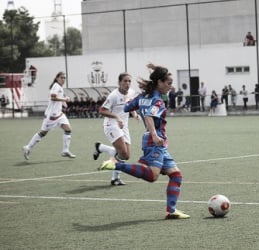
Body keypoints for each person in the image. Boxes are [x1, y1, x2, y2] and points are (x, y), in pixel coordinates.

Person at [98, 63, 190, 219]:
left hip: (157, 142)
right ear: (159, 82)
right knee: (153, 176)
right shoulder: (156, 100)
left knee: (176, 175)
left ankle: (171, 210)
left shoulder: (143, 96)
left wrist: (134, 104)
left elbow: (127, 107)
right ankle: (116, 164)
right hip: (155, 141)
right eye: (168, 84)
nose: (170, 87)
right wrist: (154, 134)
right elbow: (147, 115)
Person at [93, 73, 140, 186]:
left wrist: (134, 114)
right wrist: (116, 117)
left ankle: (101, 148)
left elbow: (130, 105)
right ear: (119, 82)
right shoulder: (113, 95)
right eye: (125, 81)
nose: (127, 83)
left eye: (129, 81)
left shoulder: (132, 92)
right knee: (122, 152)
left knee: (126, 155)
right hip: (111, 125)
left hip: (123, 126)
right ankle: (115, 179)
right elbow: (102, 110)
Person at [23, 72, 76, 160]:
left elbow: (59, 97)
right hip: (52, 116)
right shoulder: (56, 86)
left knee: (68, 129)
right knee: (43, 133)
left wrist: (64, 102)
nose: (63, 79)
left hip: (59, 114)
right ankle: (28, 147)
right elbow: (53, 98)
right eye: (61, 78)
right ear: (57, 78)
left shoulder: (59, 87)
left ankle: (65, 151)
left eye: (64, 78)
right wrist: (64, 99)